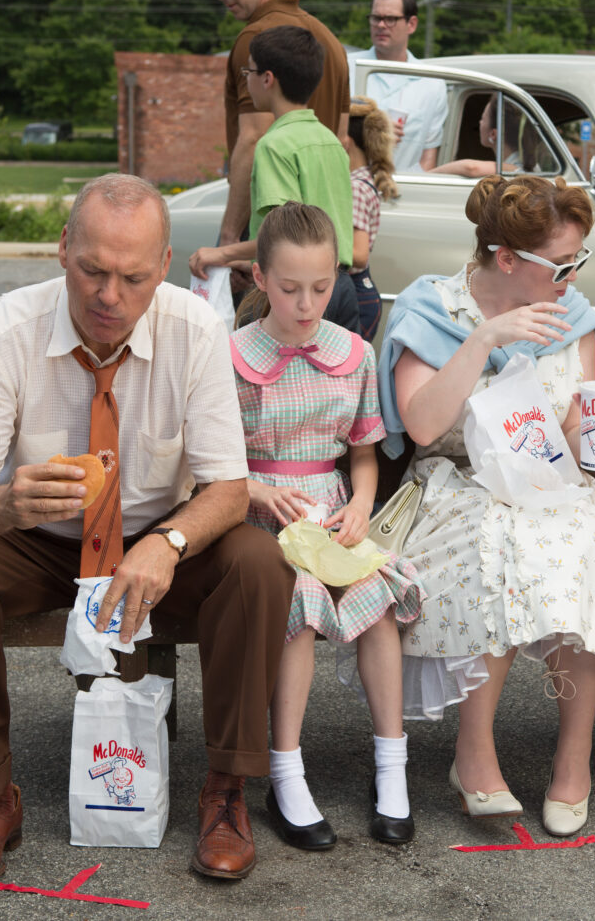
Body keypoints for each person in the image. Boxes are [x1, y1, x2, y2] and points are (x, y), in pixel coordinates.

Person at [0, 174, 295, 888]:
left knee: (259, 562)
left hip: (158, 537)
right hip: (38, 537)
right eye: (93, 270)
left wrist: (168, 542)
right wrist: (7, 504)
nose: (110, 296)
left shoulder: (195, 326)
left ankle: (226, 789)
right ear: (62, 249)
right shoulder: (4, 329)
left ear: (165, 264)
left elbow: (229, 488)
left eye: (134, 277)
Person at [378, 174, 595, 838]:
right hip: (457, 482)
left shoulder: (572, 315)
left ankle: (573, 755)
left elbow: (572, 431)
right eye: (563, 264)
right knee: (502, 547)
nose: (574, 275)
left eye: (580, 260)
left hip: (552, 481)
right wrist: (485, 340)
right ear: (506, 259)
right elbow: (419, 426)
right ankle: (473, 756)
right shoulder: (432, 309)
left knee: (580, 547)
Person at [232, 201, 423, 850]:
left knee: (378, 598)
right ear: (260, 279)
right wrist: (257, 488)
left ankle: (390, 766)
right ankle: (285, 770)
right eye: (289, 289)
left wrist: (363, 504)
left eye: (321, 288)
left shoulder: (355, 354)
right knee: (303, 605)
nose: (307, 304)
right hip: (258, 514)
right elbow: (212, 463)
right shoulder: (232, 356)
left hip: (331, 507)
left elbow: (363, 454)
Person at [190, 25, 358, 334]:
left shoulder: (273, 145)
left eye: (248, 71)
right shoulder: (330, 141)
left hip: (296, 295)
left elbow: (281, 238)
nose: (246, 78)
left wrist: (220, 253)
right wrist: (246, 262)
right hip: (339, 286)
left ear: (267, 79)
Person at [215, 0, 349, 278]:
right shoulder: (330, 42)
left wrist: (228, 240)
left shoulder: (257, 39)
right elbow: (342, 137)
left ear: (266, 79)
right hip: (330, 263)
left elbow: (254, 137)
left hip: (274, 253)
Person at [347, 0, 447, 172]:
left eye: (391, 19)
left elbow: (428, 157)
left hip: (404, 193)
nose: (381, 25)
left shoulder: (432, 83)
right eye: (376, 18)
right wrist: (370, 129)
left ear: (412, 24)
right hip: (351, 186)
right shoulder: (347, 68)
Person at [346, 95, 397, 340]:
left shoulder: (355, 187)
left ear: (346, 141)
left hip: (356, 295)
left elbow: (359, 254)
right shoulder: (363, 179)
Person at [430, 94, 537, 178]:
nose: (480, 123)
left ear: (493, 134)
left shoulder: (515, 167)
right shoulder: (523, 160)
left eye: (483, 119)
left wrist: (428, 175)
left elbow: (471, 168)